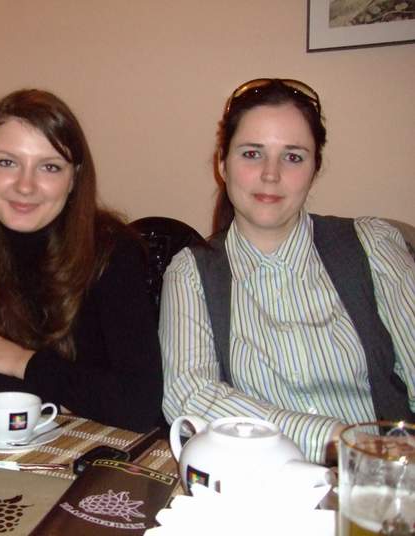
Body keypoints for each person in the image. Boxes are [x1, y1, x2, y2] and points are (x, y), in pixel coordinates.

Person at [160, 78, 415, 463]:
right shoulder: (191, 273)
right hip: (261, 480)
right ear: (222, 164)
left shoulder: (372, 245)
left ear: (315, 169)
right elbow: (190, 395)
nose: (271, 174)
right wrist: (341, 441)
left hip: (379, 482)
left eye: (293, 157)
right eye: (252, 153)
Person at [0, 89, 163, 432]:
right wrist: (70, 390)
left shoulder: (113, 254)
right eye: (7, 162)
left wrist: (19, 361)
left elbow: (138, 406)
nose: (25, 186)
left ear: (73, 179)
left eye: (49, 167)